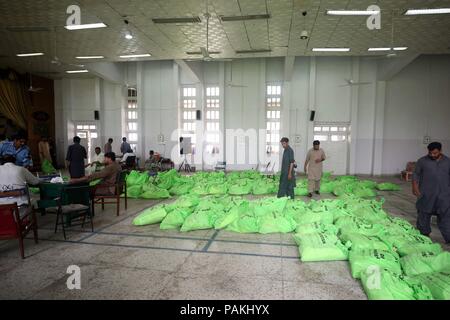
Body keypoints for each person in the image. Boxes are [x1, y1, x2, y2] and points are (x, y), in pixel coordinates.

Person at [412, 142, 450, 244]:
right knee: (423, 216)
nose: (432, 155)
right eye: (430, 153)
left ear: (440, 151)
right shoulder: (422, 161)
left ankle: (448, 237)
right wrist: (415, 187)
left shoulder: (448, 162)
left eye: (435, 153)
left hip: (444, 196)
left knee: (446, 219)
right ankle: (424, 237)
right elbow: (416, 175)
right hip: (426, 195)